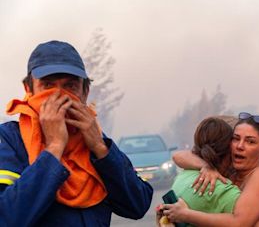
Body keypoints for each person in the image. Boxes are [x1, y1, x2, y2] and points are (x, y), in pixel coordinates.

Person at [0, 40, 153, 226]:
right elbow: (7, 217)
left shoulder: (94, 140)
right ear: (28, 90)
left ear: (85, 92)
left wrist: (100, 148)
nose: (60, 96)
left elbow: (138, 205)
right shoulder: (9, 140)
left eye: (70, 86)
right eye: (47, 86)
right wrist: (54, 148)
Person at [162, 112, 259, 227]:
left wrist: (185, 215)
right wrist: (206, 166)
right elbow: (178, 156)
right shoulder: (229, 171)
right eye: (236, 138)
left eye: (250, 142)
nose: (240, 146)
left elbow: (240, 223)